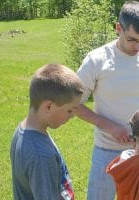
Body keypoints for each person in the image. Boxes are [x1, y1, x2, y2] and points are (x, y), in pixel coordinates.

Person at [75, 1, 139, 199]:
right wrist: (110, 126)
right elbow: (74, 103)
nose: (138, 46)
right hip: (106, 149)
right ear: (118, 28)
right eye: (132, 39)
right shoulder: (97, 60)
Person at [10, 64, 84, 200]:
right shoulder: (41, 155)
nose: (73, 116)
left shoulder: (25, 129)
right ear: (48, 106)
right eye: (70, 110)